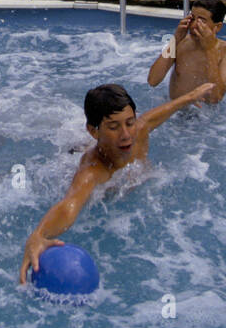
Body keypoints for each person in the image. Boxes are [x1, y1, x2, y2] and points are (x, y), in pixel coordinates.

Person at [19, 81, 213, 284]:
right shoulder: (93, 171)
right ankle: (78, 146)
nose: (126, 134)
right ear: (93, 131)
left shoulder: (139, 131)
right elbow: (70, 205)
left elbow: (159, 113)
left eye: (130, 122)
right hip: (97, 166)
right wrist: (39, 234)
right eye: (114, 127)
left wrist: (189, 97)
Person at [146, 0, 226, 104]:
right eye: (192, 18)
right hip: (174, 110)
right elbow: (153, 80)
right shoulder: (181, 42)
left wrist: (209, 49)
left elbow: (215, 97)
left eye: (201, 21)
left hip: (205, 115)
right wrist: (176, 39)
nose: (193, 25)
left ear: (217, 27)